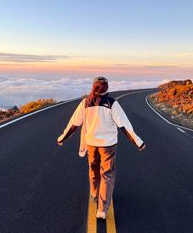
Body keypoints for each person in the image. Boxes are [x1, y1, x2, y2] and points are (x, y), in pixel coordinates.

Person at [57, 76, 146, 219]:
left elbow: (74, 124)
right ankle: (102, 210)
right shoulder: (112, 104)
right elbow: (124, 126)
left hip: (91, 144)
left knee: (93, 169)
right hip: (108, 146)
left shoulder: (85, 103)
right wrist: (138, 142)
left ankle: (94, 193)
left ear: (93, 87)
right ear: (107, 88)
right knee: (107, 174)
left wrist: (62, 138)